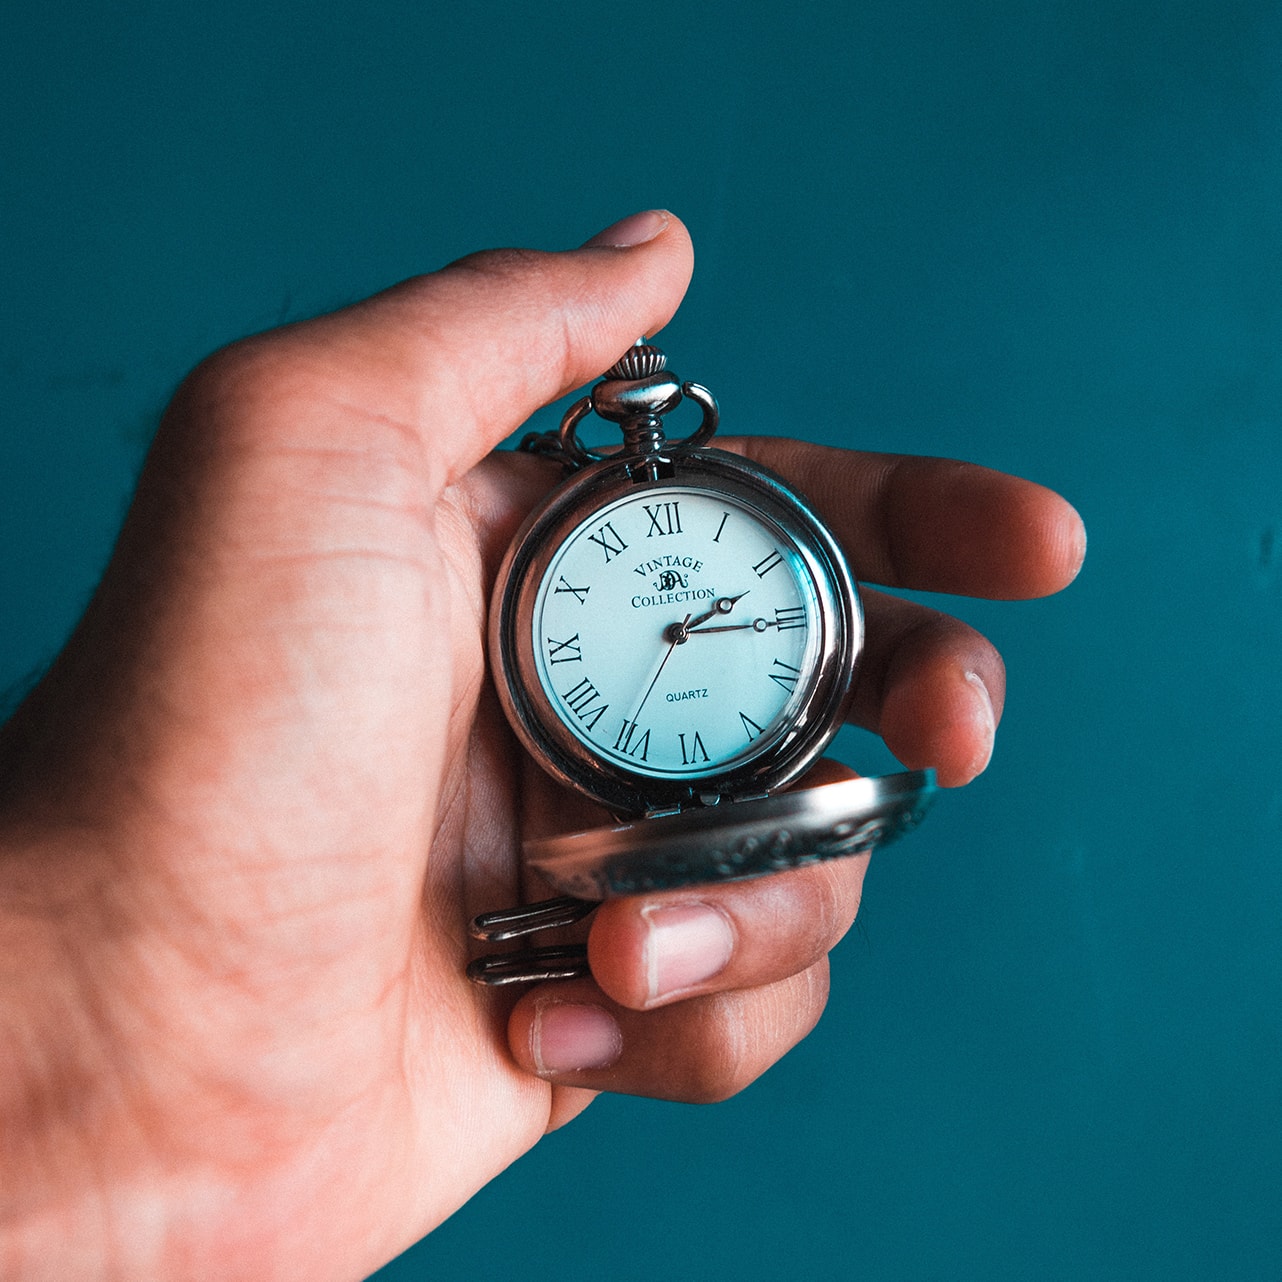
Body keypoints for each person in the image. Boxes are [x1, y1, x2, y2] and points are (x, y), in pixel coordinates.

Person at [0, 211, 1085, 1278]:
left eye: (702, 613)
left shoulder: (756, 561)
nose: (678, 625)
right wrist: (106, 1017)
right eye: (671, 617)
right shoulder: (520, 569)